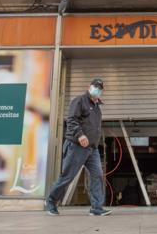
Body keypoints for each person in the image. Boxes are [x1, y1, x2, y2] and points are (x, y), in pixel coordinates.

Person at [45, 78, 112, 216]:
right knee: (68, 176)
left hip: (92, 149)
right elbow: (71, 120)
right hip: (76, 146)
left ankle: (96, 208)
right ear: (90, 86)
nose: (97, 89)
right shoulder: (80, 101)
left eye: (100, 88)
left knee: (97, 175)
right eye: (95, 86)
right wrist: (80, 135)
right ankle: (51, 201)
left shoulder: (97, 107)